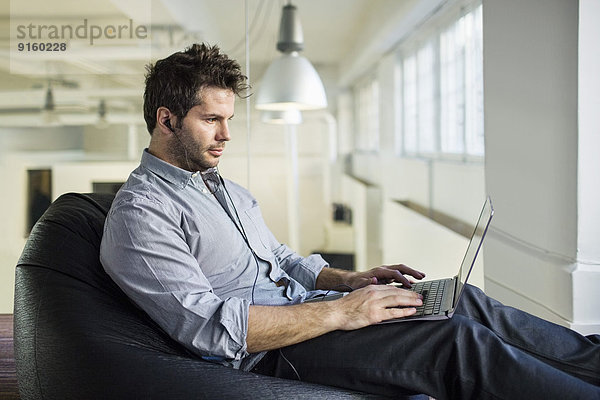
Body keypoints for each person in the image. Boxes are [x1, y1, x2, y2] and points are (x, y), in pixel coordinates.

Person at [100, 43, 600, 400]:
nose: (227, 135)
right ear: (166, 120)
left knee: (460, 299)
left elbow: (278, 259)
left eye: (230, 119)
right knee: (455, 341)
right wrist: (344, 312)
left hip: (312, 309)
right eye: (211, 119)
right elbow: (210, 330)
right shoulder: (142, 213)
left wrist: (350, 281)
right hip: (273, 351)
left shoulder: (221, 186)